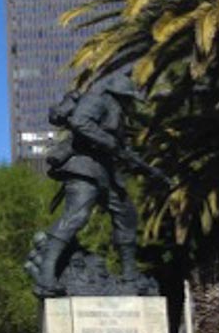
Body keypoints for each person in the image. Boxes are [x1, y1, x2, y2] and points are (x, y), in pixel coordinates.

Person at [36, 72, 146, 296]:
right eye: (127, 97)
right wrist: (111, 144)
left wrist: (129, 158)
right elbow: (80, 122)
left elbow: (116, 143)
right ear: (118, 94)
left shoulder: (116, 110)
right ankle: (46, 276)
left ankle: (130, 276)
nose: (129, 103)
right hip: (84, 166)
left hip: (106, 171)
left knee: (126, 216)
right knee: (76, 217)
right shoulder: (98, 100)